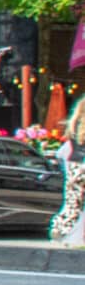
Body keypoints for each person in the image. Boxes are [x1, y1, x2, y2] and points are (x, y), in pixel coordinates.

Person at [52, 98, 85, 248]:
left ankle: (61, 228)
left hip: (74, 166)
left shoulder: (74, 126)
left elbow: (63, 152)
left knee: (72, 201)